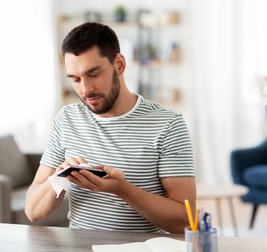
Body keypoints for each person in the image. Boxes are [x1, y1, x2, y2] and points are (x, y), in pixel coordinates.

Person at [25, 22, 196, 234]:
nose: (86, 89)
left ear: (120, 65)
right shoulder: (67, 119)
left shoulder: (168, 125)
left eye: (94, 74)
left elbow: (185, 219)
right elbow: (33, 211)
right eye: (76, 79)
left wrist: (122, 189)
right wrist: (60, 178)